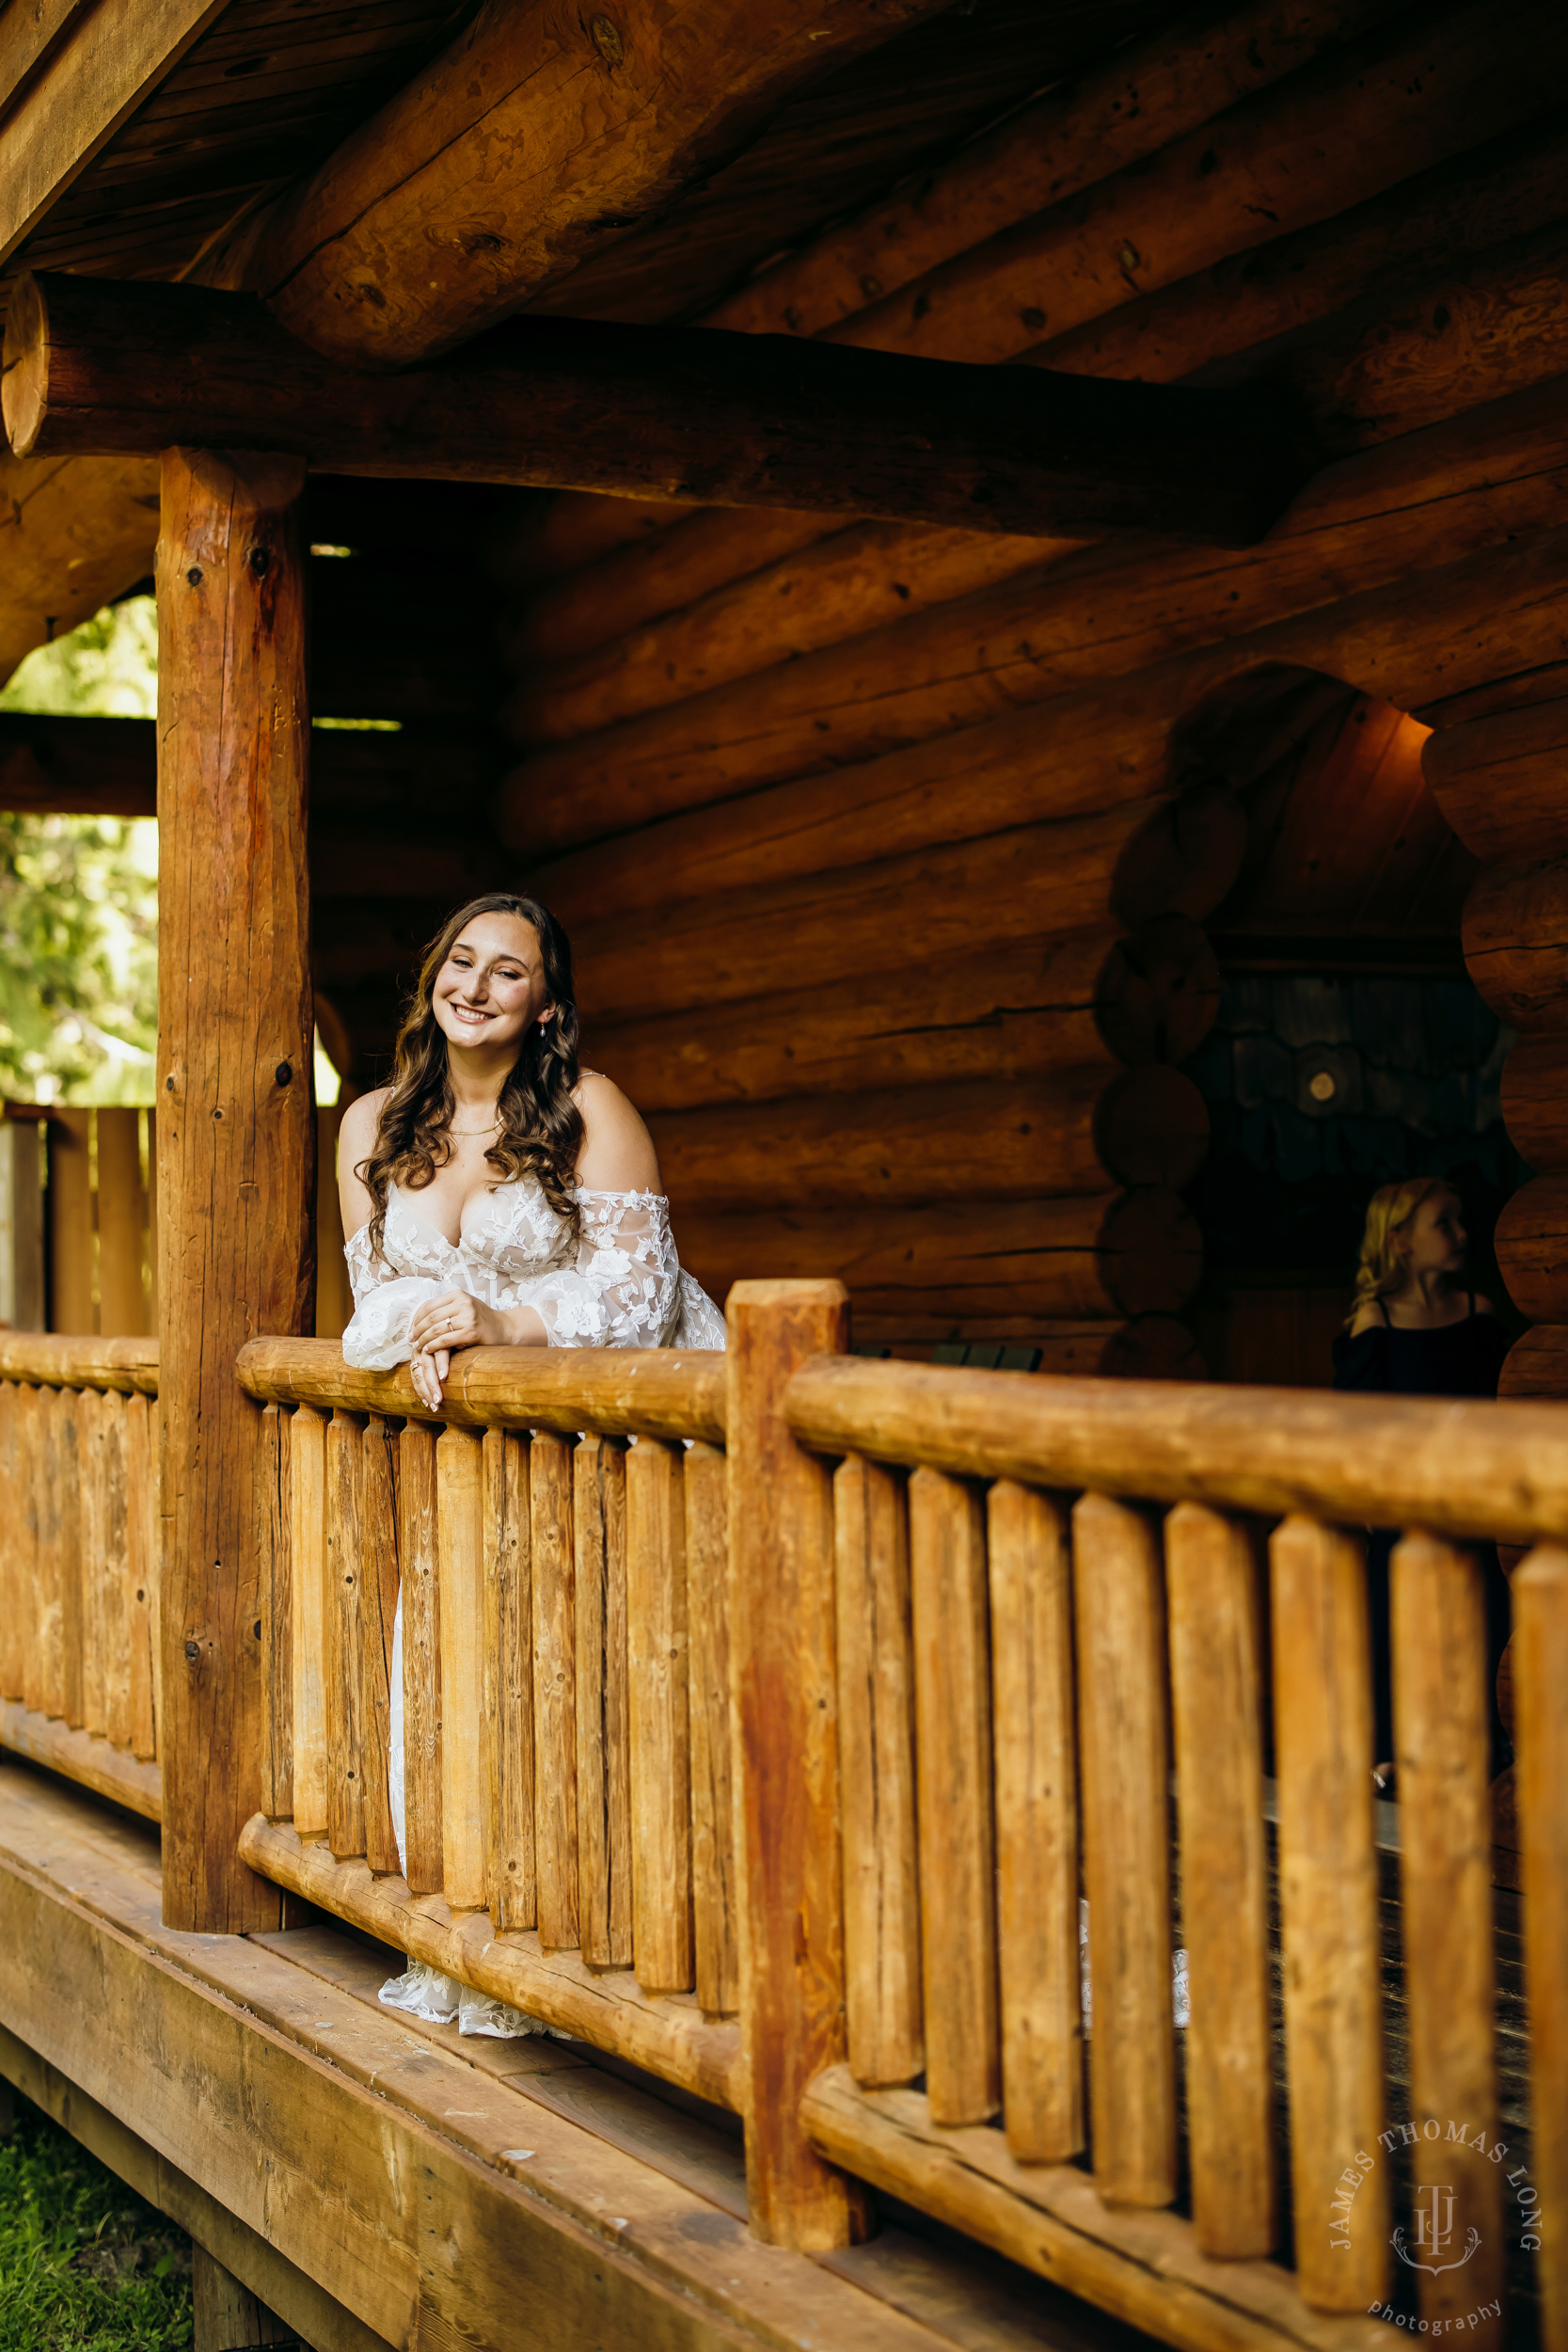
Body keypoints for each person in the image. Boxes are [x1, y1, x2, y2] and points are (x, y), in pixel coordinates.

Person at [337, 892, 724, 2033]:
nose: (475, 985)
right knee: (472, 1676)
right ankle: (486, 1927)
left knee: (600, 1673)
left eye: (508, 971)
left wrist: (500, 1325)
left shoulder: (589, 1107)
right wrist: (428, 1322)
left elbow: (636, 1291)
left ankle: (620, 1933)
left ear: (544, 1003)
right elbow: (377, 1298)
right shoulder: (370, 1124)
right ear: (431, 980)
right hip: (466, 1457)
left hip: (613, 1438)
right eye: (460, 961)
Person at [1331, 1177, 1512, 1790]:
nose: (1461, 1236)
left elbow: (1500, 1416)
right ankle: (1392, 1756)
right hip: (1401, 1512)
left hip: (1473, 1507)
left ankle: (1484, 1750)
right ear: (1400, 1241)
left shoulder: (1477, 1315)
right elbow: (1356, 1431)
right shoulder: (1372, 1323)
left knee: (1484, 1621)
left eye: (1460, 1221)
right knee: (1398, 1623)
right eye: (1444, 1223)